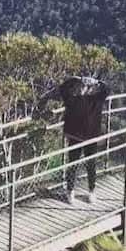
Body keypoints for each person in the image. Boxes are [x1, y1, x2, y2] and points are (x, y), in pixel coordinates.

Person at [38, 75, 111, 205]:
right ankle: (70, 191)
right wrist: (77, 79)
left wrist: (97, 82)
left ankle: (91, 191)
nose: (85, 89)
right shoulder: (72, 100)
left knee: (91, 165)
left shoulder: (96, 100)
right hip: (76, 137)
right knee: (73, 165)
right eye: (83, 86)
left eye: (88, 87)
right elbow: (63, 88)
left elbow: (107, 89)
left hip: (90, 138)